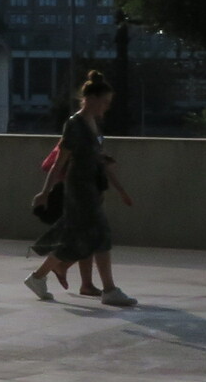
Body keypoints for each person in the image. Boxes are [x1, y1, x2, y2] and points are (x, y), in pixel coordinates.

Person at [26, 70, 139, 306]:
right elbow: (59, 162)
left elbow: (95, 156)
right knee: (101, 234)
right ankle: (109, 289)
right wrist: (45, 192)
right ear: (92, 98)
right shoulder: (74, 124)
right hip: (79, 189)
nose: (106, 107)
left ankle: (38, 277)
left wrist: (119, 188)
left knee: (79, 238)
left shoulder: (94, 124)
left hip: (93, 187)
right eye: (105, 102)